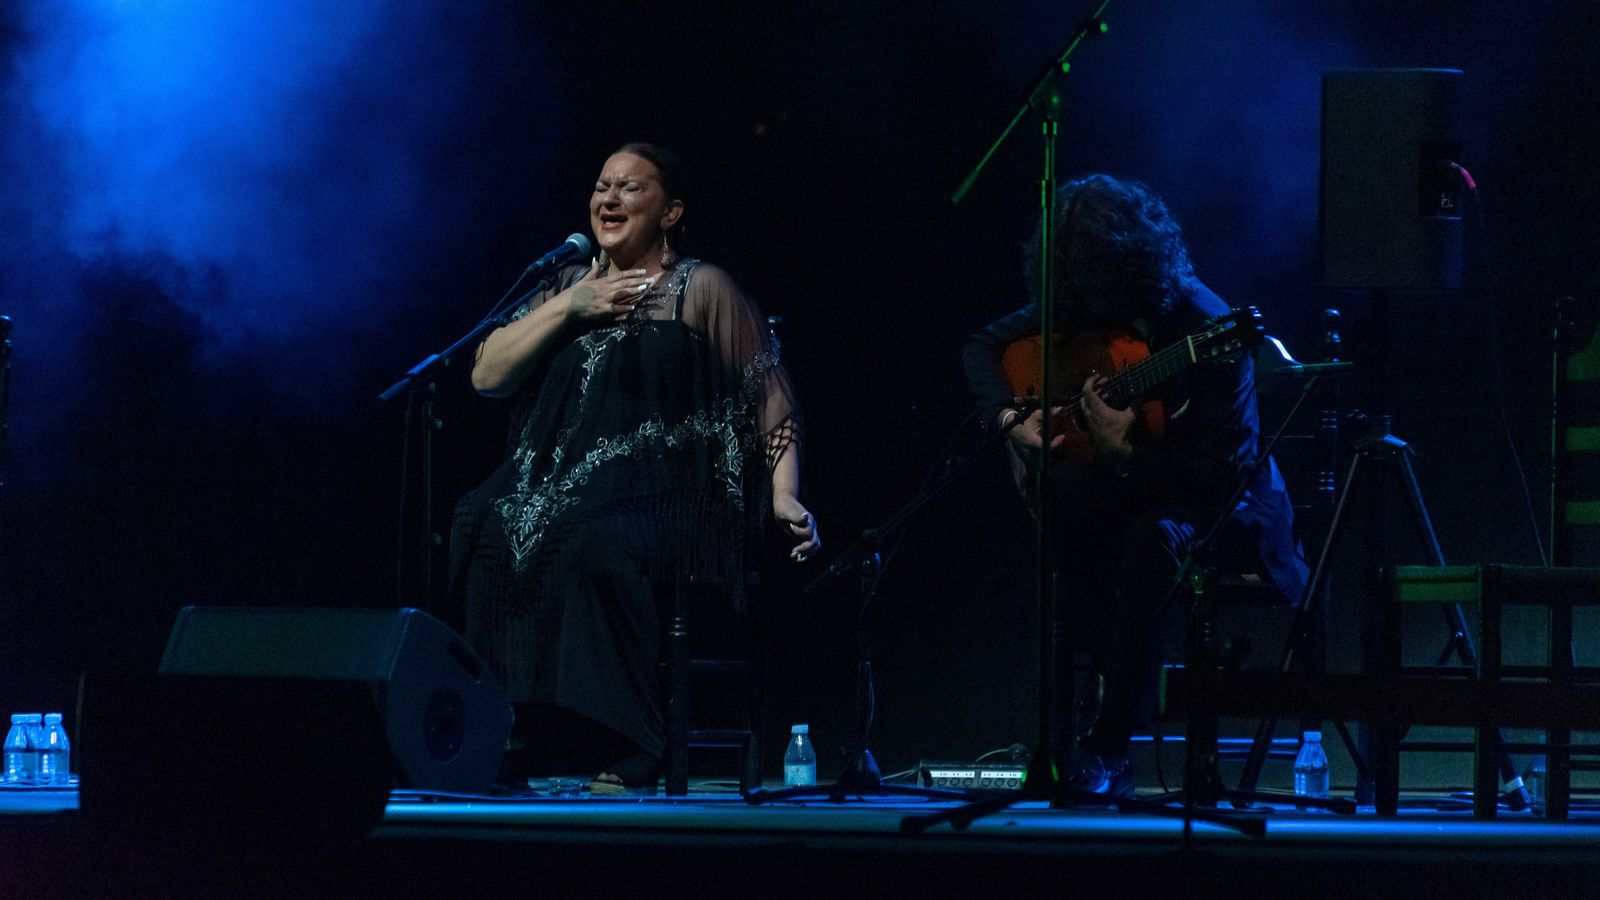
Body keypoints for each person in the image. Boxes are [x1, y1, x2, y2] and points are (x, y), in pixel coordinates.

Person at [450, 142, 819, 793]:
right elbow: (486, 374)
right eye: (601, 185)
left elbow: (770, 397)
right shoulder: (564, 286)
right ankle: (505, 727)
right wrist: (571, 308)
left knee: (594, 536)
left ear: (671, 211)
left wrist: (785, 494)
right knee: (480, 522)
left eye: (630, 188)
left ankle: (636, 740)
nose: (609, 199)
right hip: (564, 484)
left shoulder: (700, 288)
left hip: (673, 492)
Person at [961, 174, 1307, 796]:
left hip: (1225, 513)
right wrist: (1011, 418)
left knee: (1149, 539)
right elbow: (984, 345)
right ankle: (1057, 734)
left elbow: (1217, 476)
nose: (1088, 315)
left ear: (1129, 269)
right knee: (1067, 511)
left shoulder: (1206, 327)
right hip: (1133, 498)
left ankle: (1110, 745)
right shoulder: (1085, 297)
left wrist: (1122, 450)